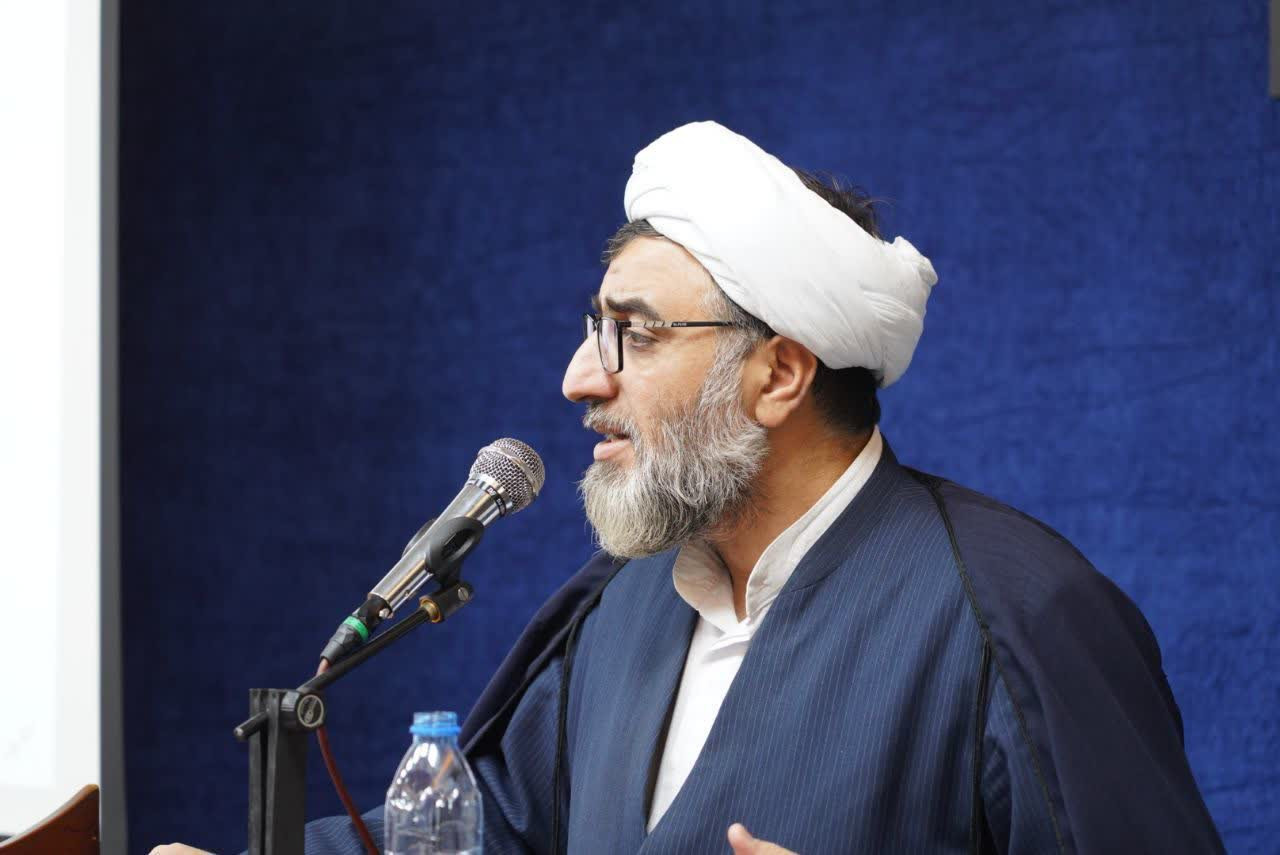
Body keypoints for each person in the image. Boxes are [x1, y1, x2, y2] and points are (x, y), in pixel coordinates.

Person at [155, 121, 1224, 854]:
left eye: (635, 332)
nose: (580, 378)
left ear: (779, 373)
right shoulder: (618, 609)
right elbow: (494, 835)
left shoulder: (1019, 616)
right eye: (593, 327)